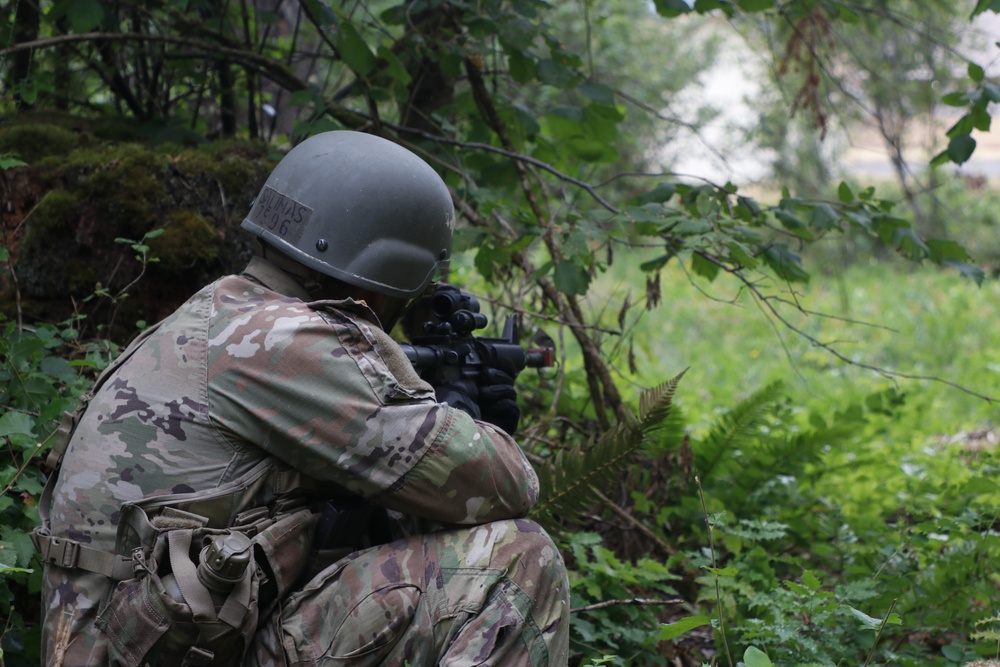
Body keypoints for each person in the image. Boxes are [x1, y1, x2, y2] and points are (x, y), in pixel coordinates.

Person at [32, 130, 570, 667]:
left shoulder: (218, 315)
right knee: (519, 558)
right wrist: (462, 419)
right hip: (158, 648)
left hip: (139, 643)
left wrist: (448, 412)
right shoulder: (285, 341)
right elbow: (506, 486)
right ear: (384, 269)